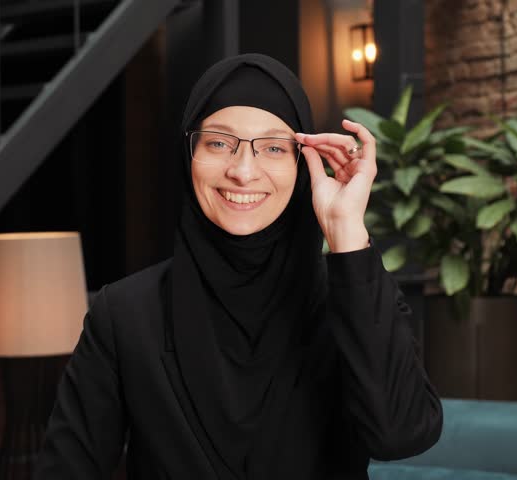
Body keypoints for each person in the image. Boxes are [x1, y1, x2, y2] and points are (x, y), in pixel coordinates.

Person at [35, 53, 442, 480]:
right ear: (188, 154)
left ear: (303, 165)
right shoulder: (124, 313)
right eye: (218, 143)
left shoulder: (356, 300)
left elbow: (401, 435)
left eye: (273, 148)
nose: (243, 172)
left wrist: (346, 230)